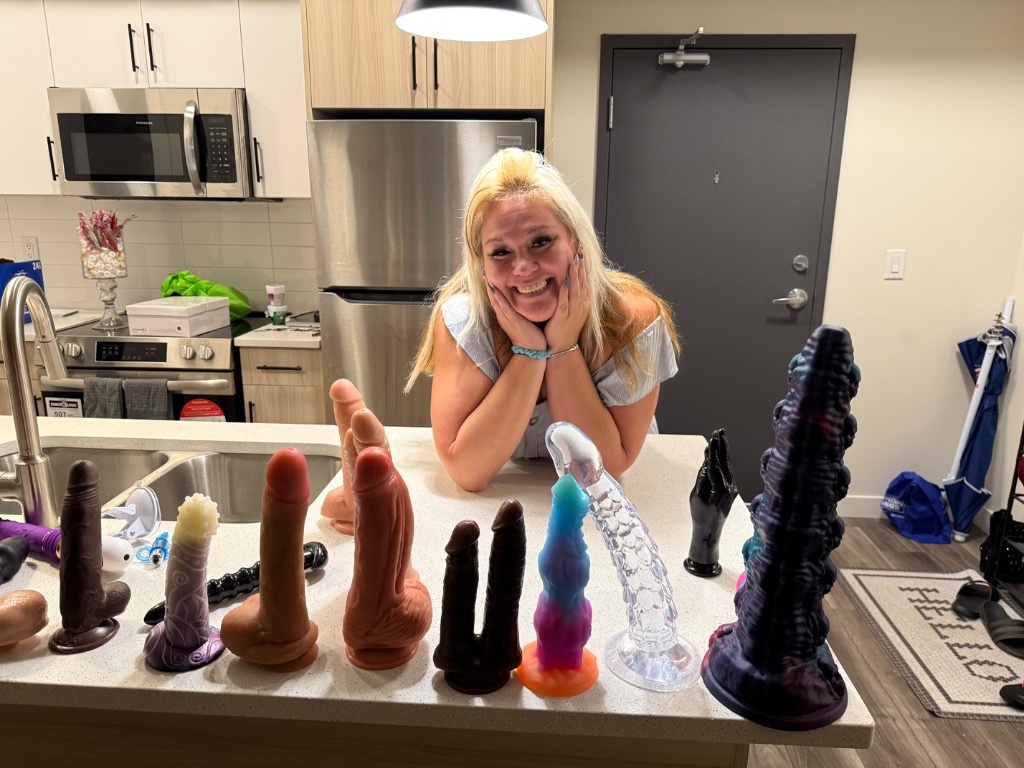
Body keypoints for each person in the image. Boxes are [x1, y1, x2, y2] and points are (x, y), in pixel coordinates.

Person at [405, 148, 679, 492]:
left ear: (576, 241)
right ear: (481, 265)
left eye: (541, 241)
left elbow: (604, 471)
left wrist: (563, 348)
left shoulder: (633, 323)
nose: (523, 268)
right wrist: (530, 352)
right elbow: (466, 470)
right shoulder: (464, 323)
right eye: (500, 251)